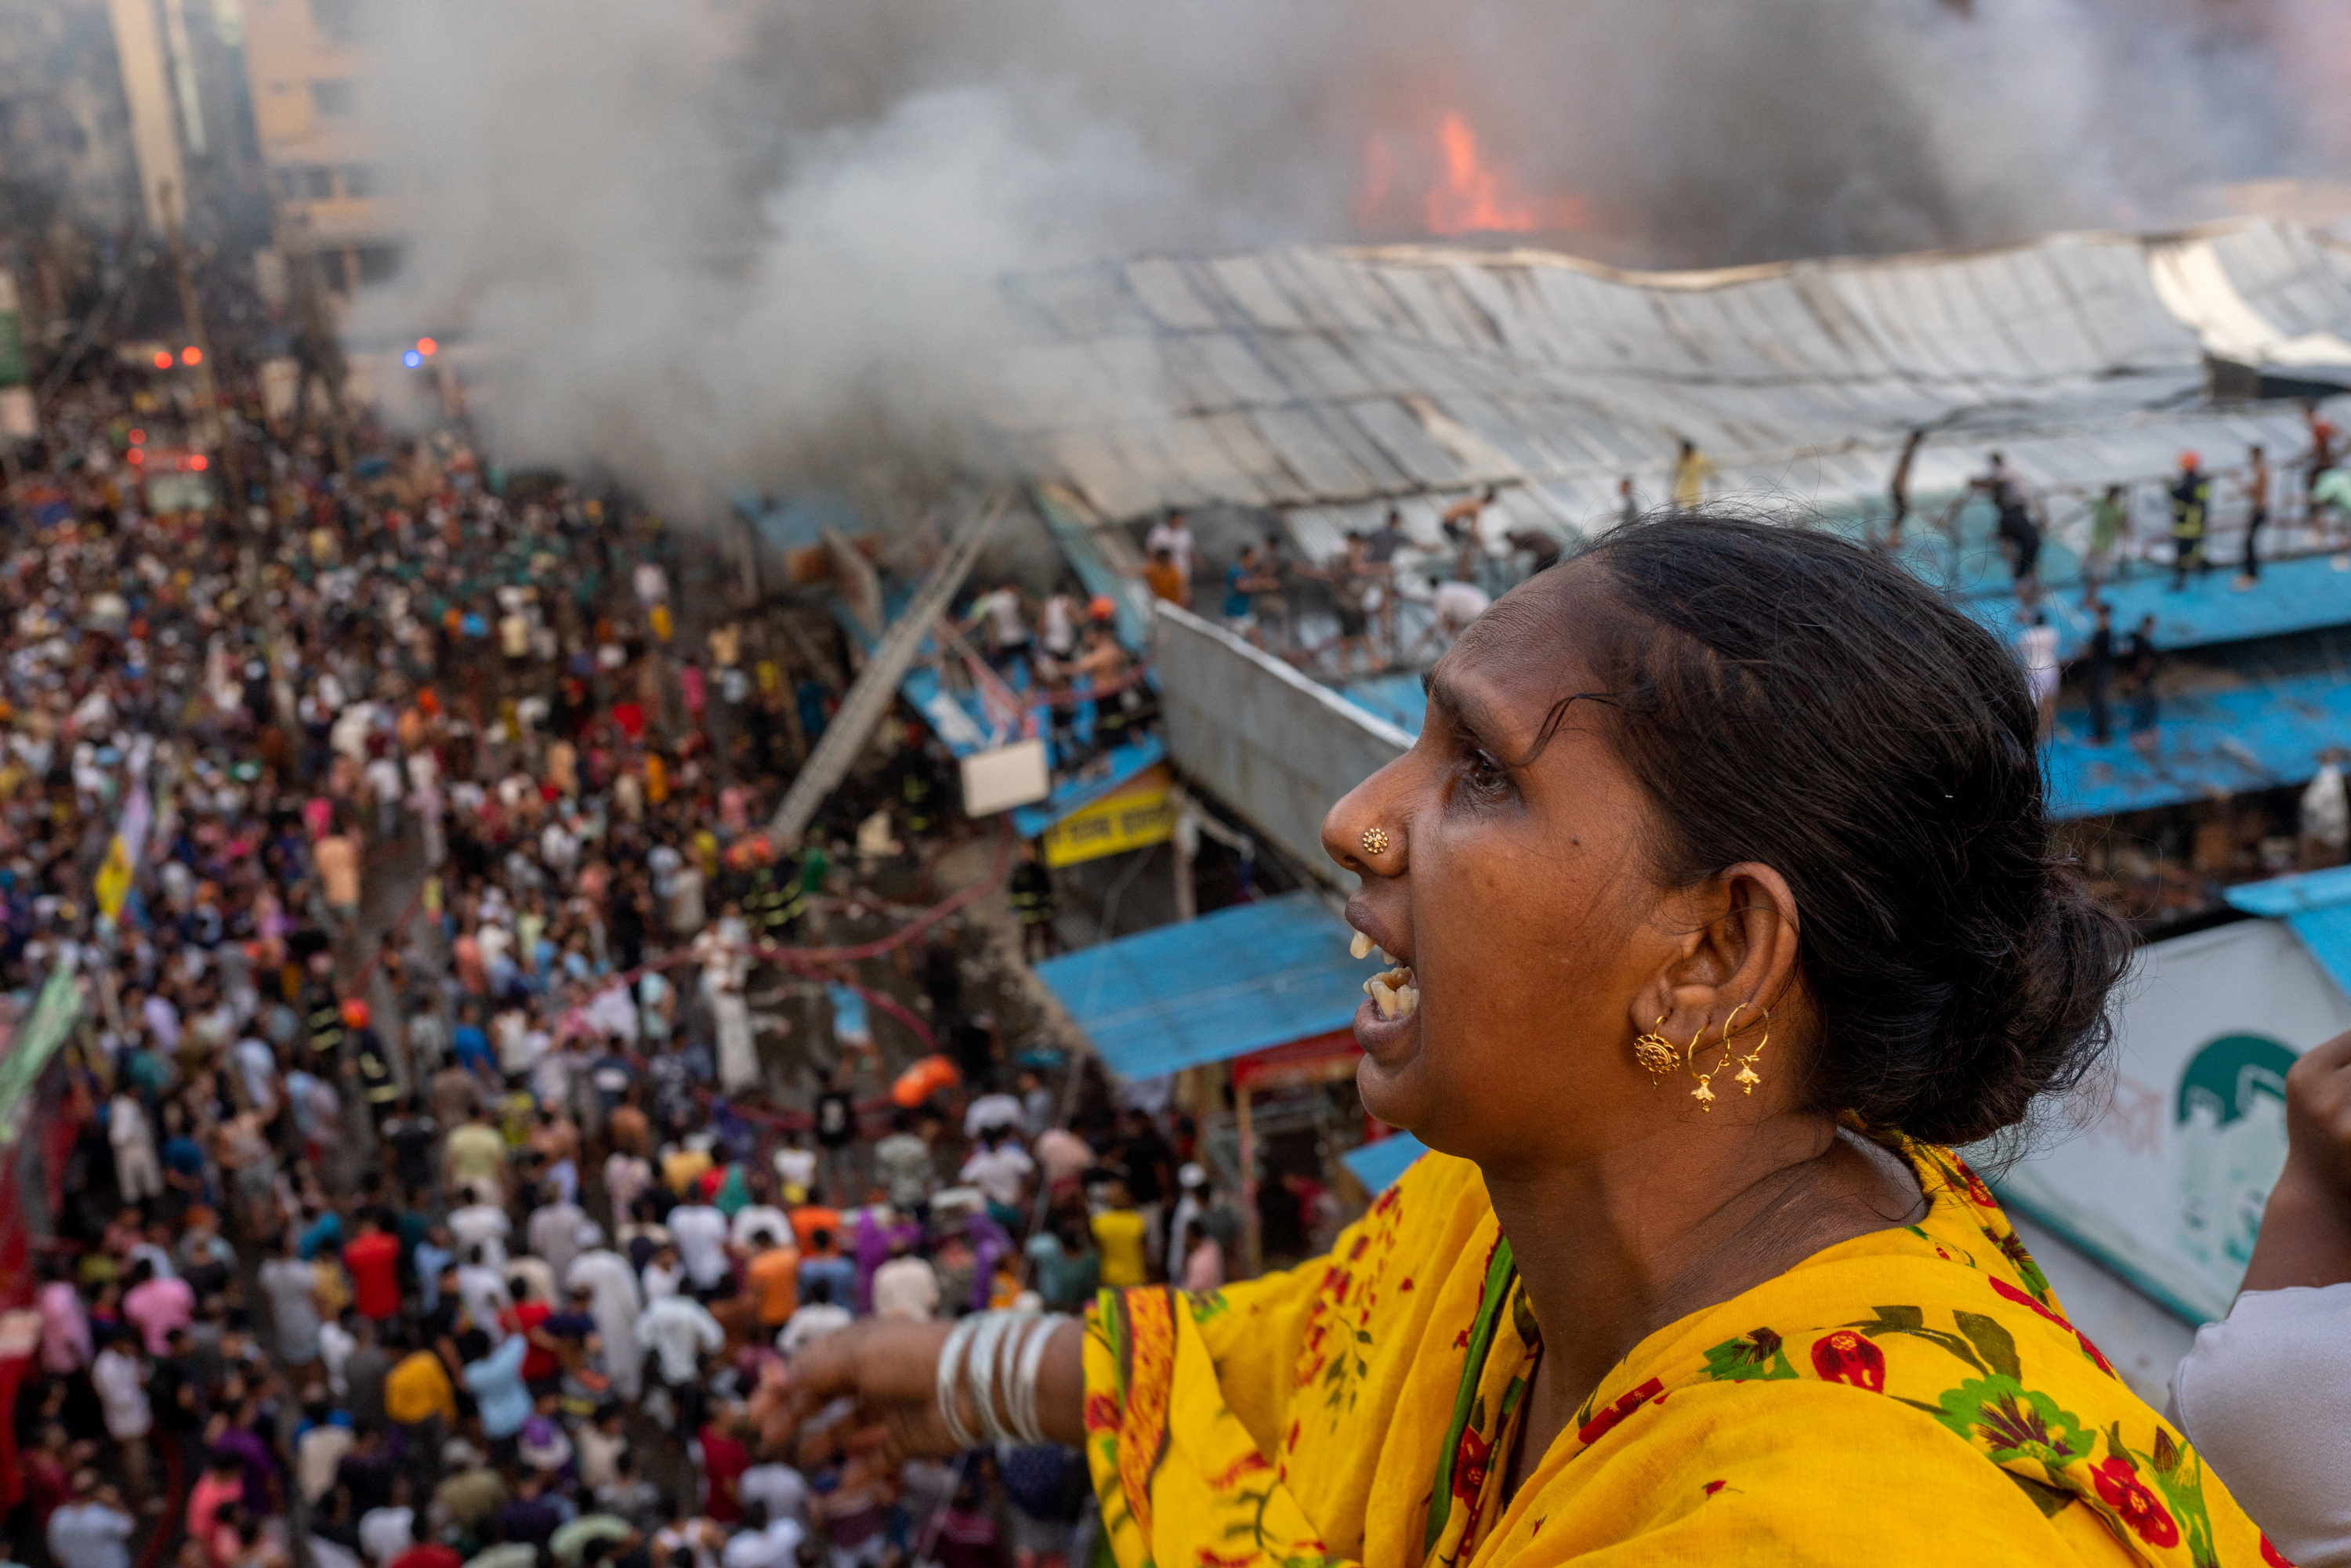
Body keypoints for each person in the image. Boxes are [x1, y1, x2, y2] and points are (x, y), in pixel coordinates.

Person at [793, 515, 2278, 1563]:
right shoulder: (1510, 1223)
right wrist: (958, 1376)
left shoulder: (1827, 1526)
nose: (1356, 817)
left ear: (1713, 955)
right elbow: (1288, 1366)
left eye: (1483, 774)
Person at [2170, 451, 2211, 590]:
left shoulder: (2188, 482)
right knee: (2196, 549)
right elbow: (2203, 502)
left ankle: (2180, 581)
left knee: (2182, 554)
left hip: (2185, 527)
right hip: (2197, 524)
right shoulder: (2202, 482)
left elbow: (2178, 495)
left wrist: (2169, 487)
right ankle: (2204, 568)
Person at [2083, 483, 2128, 604]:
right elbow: (2085, 498)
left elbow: (2124, 526)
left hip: (2105, 546)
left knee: (2100, 575)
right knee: (2084, 568)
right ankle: (2088, 593)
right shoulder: (2100, 503)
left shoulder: (2118, 510)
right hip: (2094, 543)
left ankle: (2091, 597)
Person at [2020, 612, 2059, 742]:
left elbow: (2021, 653)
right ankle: (2048, 733)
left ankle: (2036, 732)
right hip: (2051, 668)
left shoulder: (2028, 635)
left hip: (2034, 670)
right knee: (2050, 702)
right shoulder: (2052, 633)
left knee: (2034, 704)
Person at [1882, 426, 1923, 549]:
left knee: (1903, 467)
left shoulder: (1900, 513)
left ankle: (1914, 441)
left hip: (1900, 499)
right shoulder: (1900, 513)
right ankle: (1914, 441)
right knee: (1904, 466)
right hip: (1900, 499)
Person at [2125, 614, 2161, 752]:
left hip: (2143, 681)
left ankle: (2144, 732)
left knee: (2147, 706)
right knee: (2144, 707)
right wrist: (2135, 679)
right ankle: (2140, 734)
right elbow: (2145, 664)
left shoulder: (2139, 640)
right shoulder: (2144, 644)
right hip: (2142, 682)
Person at [1143, 510, 1196, 600]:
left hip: (1181, 570)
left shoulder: (1185, 534)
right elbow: (1151, 551)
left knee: (1182, 595)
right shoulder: (1159, 531)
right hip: (1163, 570)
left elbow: (1190, 551)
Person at [2082, 602, 2114, 746]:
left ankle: (2101, 735)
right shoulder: (2106, 630)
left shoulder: (2103, 632)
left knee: (2097, 702)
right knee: (2098, 701)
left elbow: (2092, 650)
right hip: (2101, 669)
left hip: (2099, 670)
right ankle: (2102, 733)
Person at [2237, 444, 2269, 588]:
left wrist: (2236, 480)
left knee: (2248, 543)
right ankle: (2251, 573)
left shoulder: (2261, 471)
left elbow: (2254, 492)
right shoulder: (2261, 470)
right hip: (2259, 510)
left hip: (2260, 511)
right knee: (2249, 543)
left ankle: (2252, 575)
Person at [1668, 437, 1715, 511]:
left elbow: (1711, 471)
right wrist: (1672, 490)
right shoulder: (1681, 460)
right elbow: (1676, 474)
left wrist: (1714, 482)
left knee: (1693, 508)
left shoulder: (1699, 459)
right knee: (1676, 507)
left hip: (1695, 488)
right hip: (1683, 487)